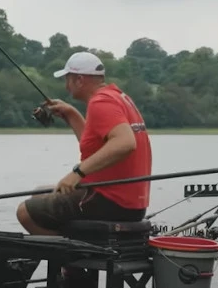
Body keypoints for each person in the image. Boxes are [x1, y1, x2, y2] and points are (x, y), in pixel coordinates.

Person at [16, 51, 152, 235]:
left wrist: (77, 173)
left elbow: (125, 143)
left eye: (68, 79)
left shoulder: (101, 103)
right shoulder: (118, 97)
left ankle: (71, 253)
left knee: (25, 212)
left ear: (79, 80)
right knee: (40, 193)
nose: (66, 86)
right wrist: (71, 114)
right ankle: (71, 244)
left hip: (112, 201)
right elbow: (98, 148)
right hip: (132, 203)